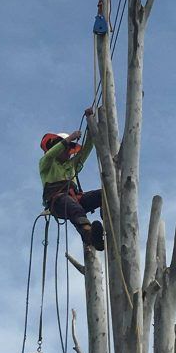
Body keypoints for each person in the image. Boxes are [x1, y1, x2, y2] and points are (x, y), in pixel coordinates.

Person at [40, 107, 105, 251]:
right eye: (66, 148)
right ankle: (89, 234)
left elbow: (88, 147)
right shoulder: (47, 163)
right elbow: (50, 155)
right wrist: (69, 138)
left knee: (104, 194)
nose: (69, 151)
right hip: (58, 201)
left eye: (70, 149)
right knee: (74, 208)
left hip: (76, 198)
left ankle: (108, 222)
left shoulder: (71, 165)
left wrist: (90, 122)